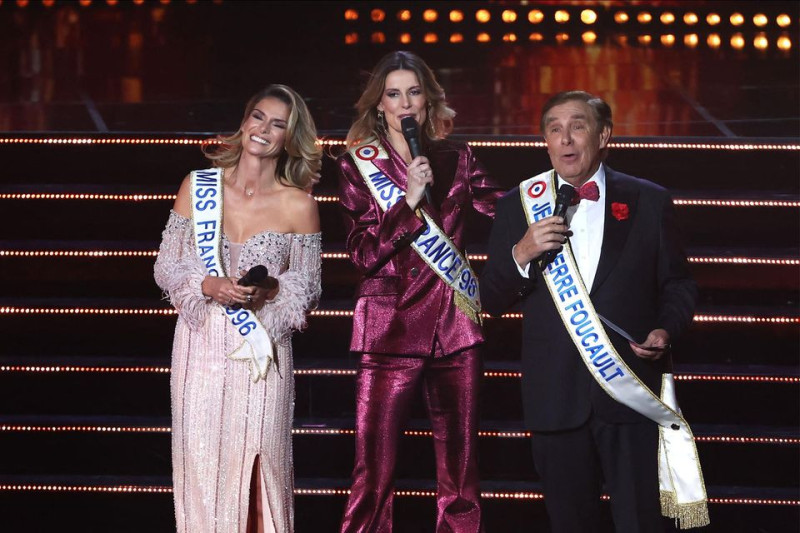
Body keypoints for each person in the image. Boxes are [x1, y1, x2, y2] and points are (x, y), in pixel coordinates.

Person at [481, 91, 708, 532]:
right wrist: (522, 252)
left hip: (628, 395)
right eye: (554, 128)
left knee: (641, 522)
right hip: (555, 399)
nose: (566, 139)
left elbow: (679, 283)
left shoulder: (648, 200)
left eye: (578, 126)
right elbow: (490, 300)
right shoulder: (518, 205)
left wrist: (666, 328)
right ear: (545, 140)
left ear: (604, 135)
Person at [336, 50, 504, 532]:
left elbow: (504, 211)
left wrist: (558, 196)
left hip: (455, 327)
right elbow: (364, 254)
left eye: (414, 92)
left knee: (461, 472)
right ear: (379, 105)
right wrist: (407, 201)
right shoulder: (356, 167)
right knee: (374, 472)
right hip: (390, 328)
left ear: (428, 102)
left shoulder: (458, 156)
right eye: (394, 94)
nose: (404, 103)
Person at [154, 84, 322, 533]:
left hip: (261, 355)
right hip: (201, 345)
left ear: (290, 137)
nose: (264, 130)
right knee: (202, 468)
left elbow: (308, 287)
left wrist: (269, 293)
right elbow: (167, 265)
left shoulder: (299, 204)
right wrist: (208, 283)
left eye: (278, 124)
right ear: (244, 121)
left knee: (259, 462)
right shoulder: (198, 186)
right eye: (258, 117)